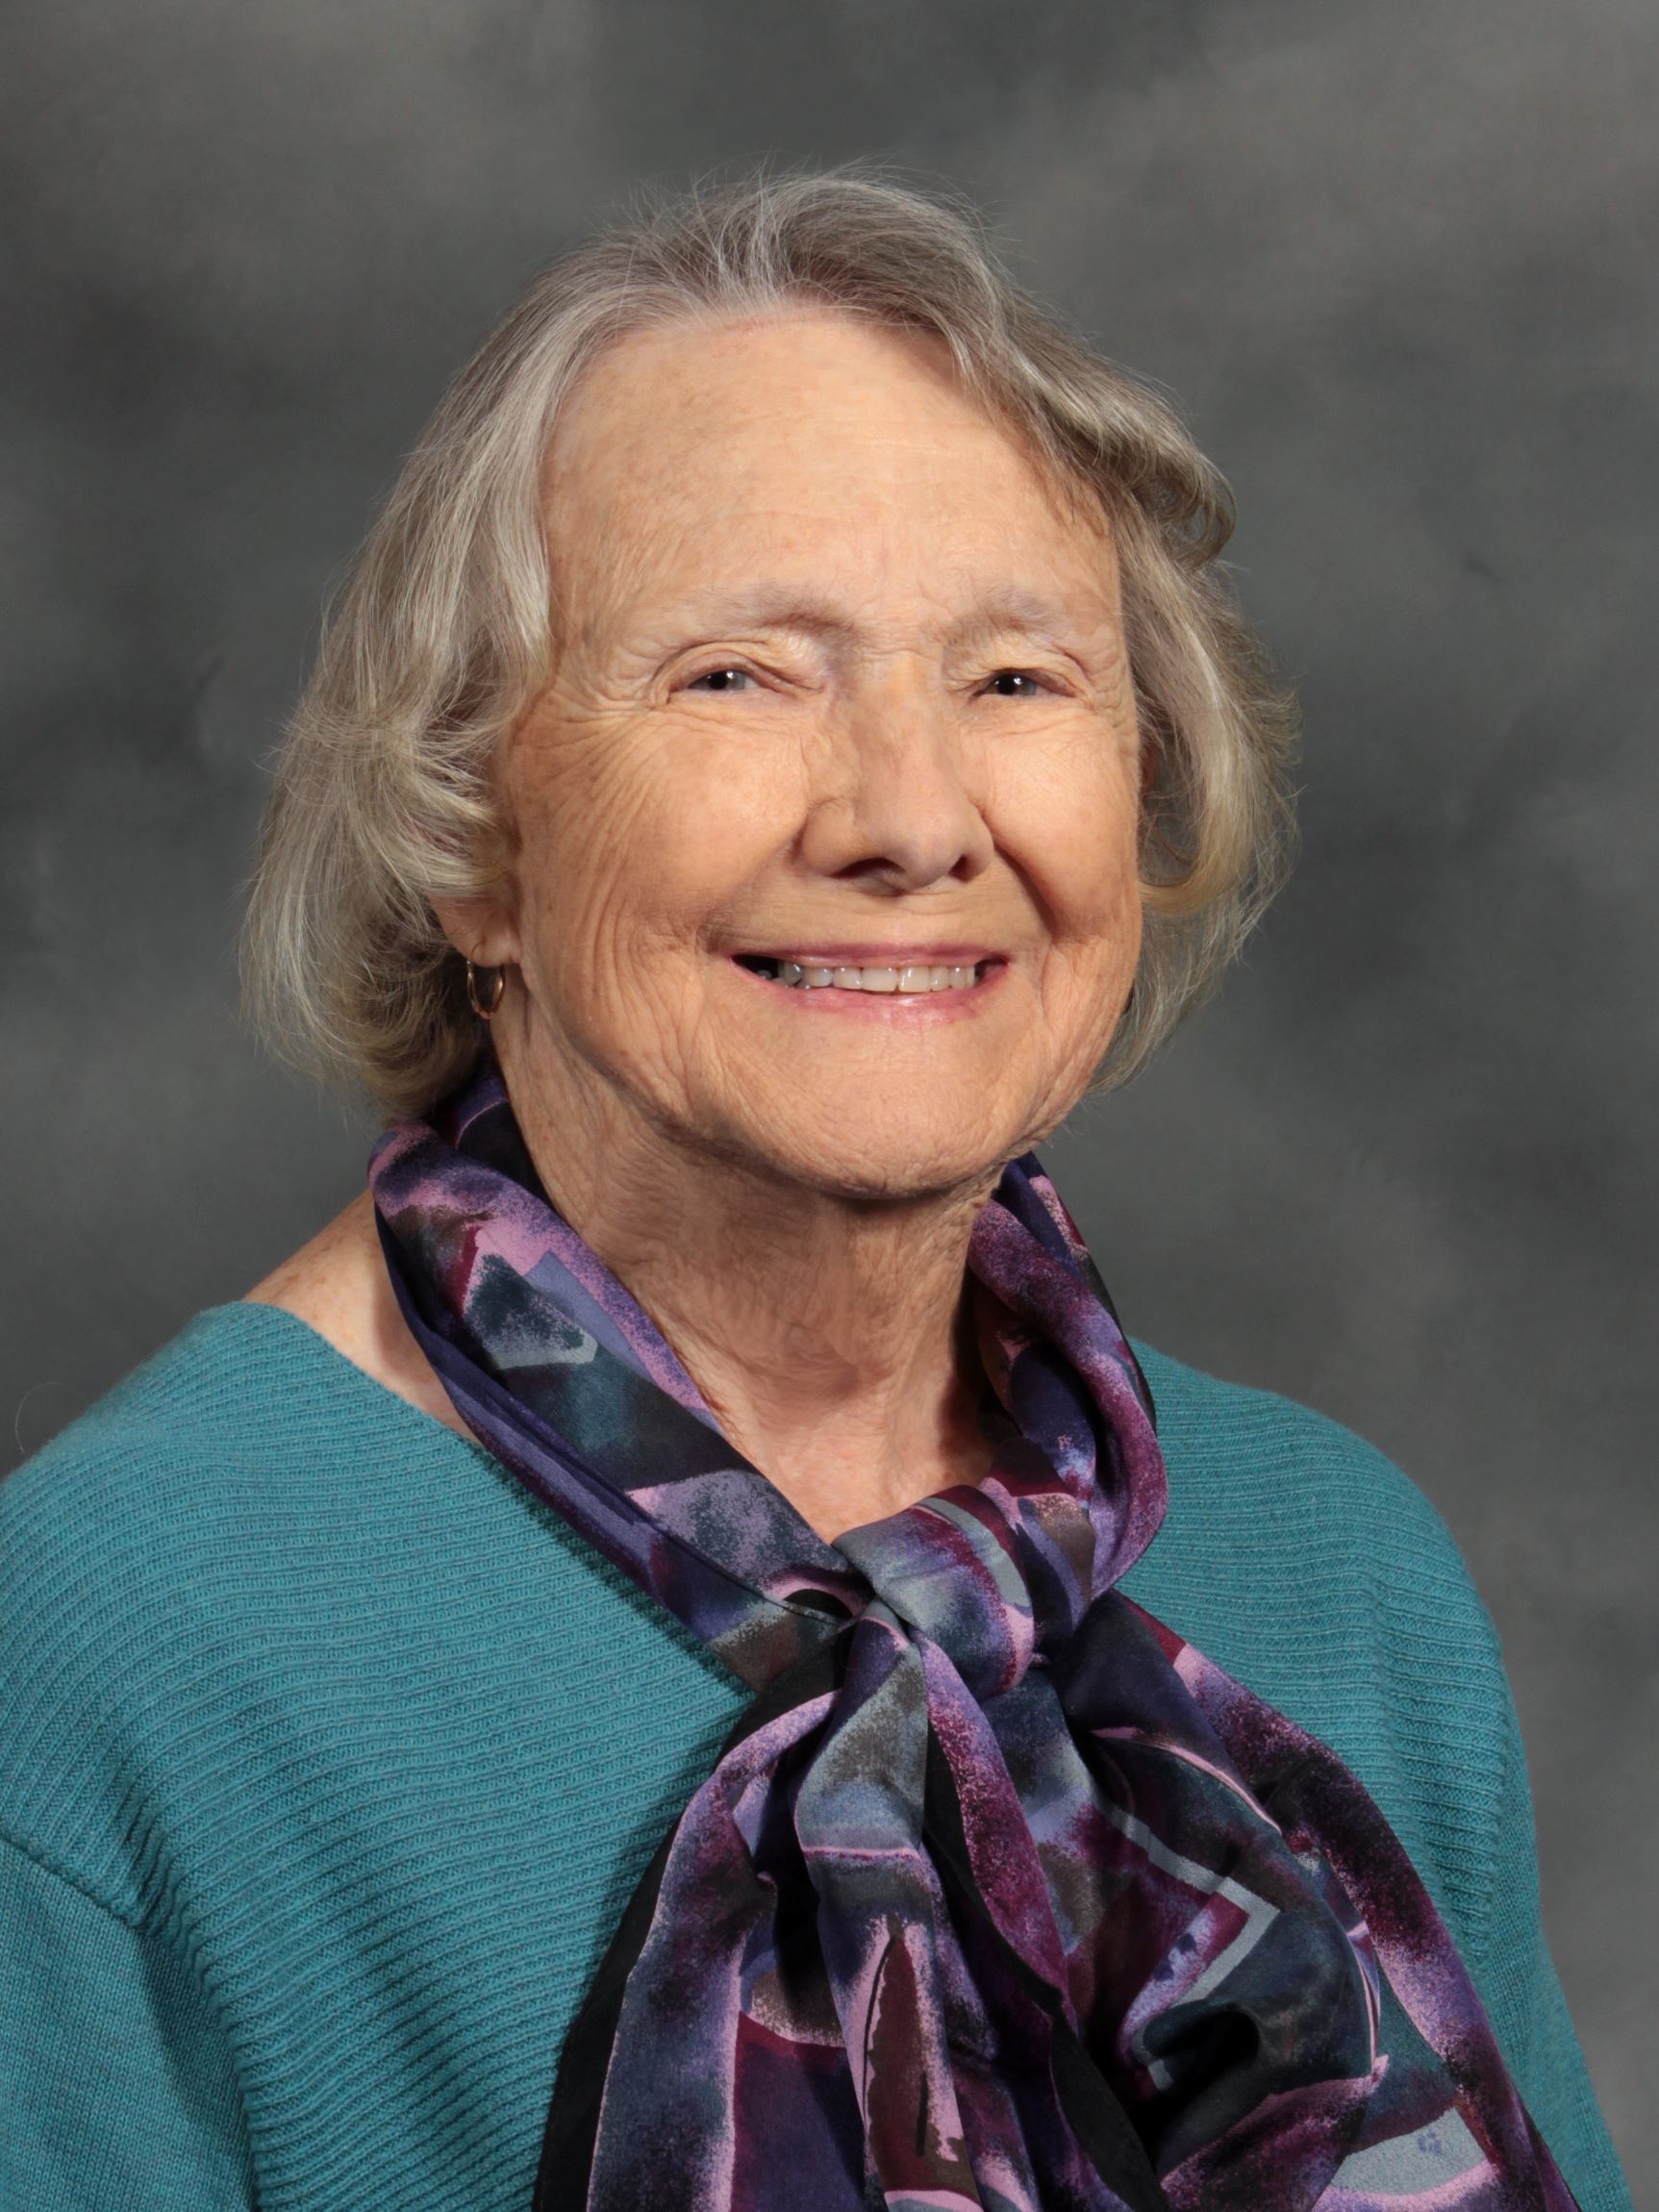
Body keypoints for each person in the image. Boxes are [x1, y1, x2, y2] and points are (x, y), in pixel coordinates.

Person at [0, 171, 1630, 2211]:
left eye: (1017, 679)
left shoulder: (1342, 1576)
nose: (903, 814)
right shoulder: (112, 1644)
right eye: (736, 676)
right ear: (470, 837)